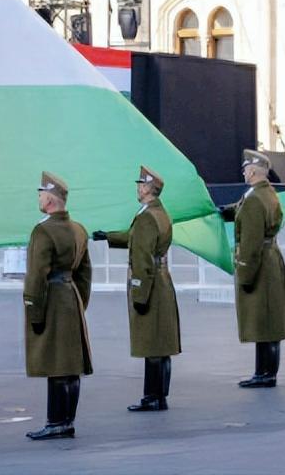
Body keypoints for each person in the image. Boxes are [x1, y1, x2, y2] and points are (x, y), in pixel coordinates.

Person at [92, 165, 180, 411]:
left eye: (140, 184)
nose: (138, 188)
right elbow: (135, 237)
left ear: (147, 188)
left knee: (151, 343)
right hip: (161, 281)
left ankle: (152, 397)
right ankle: (160, 395)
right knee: (161, 343)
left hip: (150, 284)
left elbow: (141, 257)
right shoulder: (159, 213)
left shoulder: (146, 217)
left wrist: (138, 293)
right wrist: (109, 236)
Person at [24, 171, 92, 440]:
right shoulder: (79, 230)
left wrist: (33, 309)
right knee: (70, 364)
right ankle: (67, 420)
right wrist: (79, 301)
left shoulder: (43, 231)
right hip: (70, 296)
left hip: (51, 299)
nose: (39, 198)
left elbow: (36, 275)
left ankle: (55, 422)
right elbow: (85, 273)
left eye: (41, 193)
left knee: (55, 363)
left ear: (50, 199)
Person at [220, 149, 285, 388]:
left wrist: (244, 273)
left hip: (259, 263)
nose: (243, 173)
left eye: (245, 169)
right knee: (269, 320)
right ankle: (266, 372)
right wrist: (227, 211)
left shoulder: (254, 199)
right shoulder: (267, 193)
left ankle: (265, 374)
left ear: (252, 171)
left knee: (262, 320)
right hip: (270, 260)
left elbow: (250, 242)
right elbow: (245, 210)